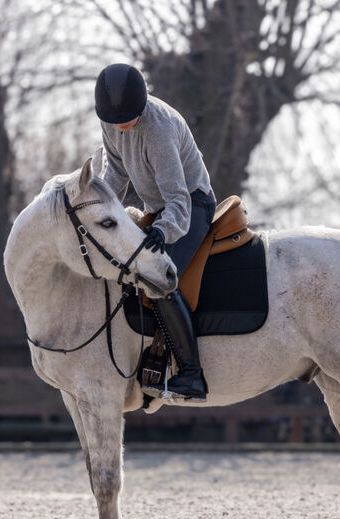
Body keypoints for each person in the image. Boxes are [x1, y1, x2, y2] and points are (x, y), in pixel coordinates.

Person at [94, 63, 216, 401]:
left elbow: (178, 196)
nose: (121, 126)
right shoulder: (110, 121)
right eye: (113, 121)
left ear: (142, 105)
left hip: (191, 206)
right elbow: (115, 172)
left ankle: (191, 374)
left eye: (128, 119)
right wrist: (97, 206)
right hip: (159, 208)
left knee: (161, 279)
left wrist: (163, 229)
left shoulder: (158, 128)